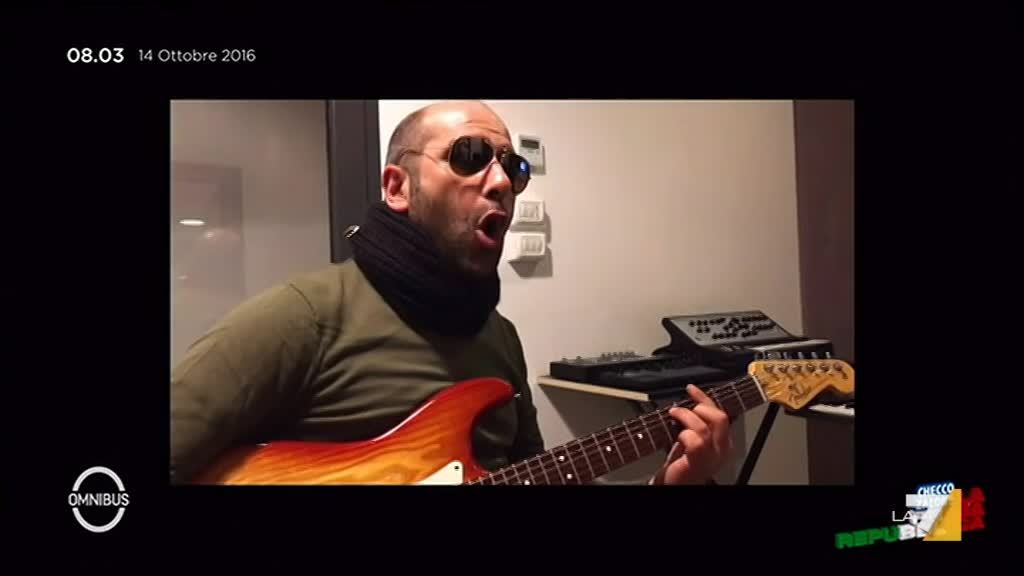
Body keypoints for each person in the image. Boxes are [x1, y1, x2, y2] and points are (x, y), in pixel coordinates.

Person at [170, 100, 733, 485]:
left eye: (513, 167)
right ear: (397, 187)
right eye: (469, 157)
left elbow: (532, 472)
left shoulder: (500, 338)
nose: (501, 182)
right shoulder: (305, 316)